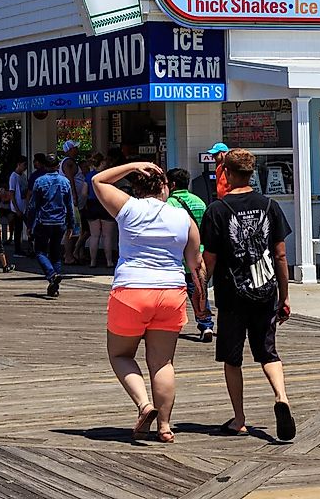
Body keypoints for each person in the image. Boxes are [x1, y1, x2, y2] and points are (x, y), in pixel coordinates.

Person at [92, 160, 203, 444]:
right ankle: (165, 426)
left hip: (131, 291)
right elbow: (196, 264)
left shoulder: (129, 208)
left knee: (120, 355)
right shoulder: (183, 219)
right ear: (166, 187)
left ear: (137, 186)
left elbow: (99, 181)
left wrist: (130, 166)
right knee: (163, 362)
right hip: (171, 292)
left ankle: (144, 405)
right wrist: (201, 300)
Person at [201, 148, 295, 442]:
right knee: (268, 351)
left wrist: (201, 293)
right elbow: (280, 256)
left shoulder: (217, 210)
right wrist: (284, 296)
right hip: (265, 290)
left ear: (226, 173)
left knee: (233, 358)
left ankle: (239, 418)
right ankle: (281, 397)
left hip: (232, 294)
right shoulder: (269, 205)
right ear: (251, 173)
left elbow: (211, 259)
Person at [167, 167, 214, 341]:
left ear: (171, 184)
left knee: (173, 295)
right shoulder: (199, 201)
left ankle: (169, 326)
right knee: (200, 292)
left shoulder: (169, 205)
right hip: (198, 256)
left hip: (177, 258)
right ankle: (206, 325)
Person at [28, 154, 75, 298]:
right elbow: (69, 205)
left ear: (45, 166)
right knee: (56, 253)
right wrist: (71, 224)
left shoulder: (39, 181)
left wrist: (30, 224)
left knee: (40, 251)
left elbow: (33, 206)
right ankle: (55, 284)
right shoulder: (65, 182)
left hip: (44, 221)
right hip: (60, 222)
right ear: (57, 166)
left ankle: (51, 275)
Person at [83, 153, 115, 267]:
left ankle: (93, 261)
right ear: (101, 163)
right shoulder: (107, 175)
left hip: (92, 205)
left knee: (94, 235)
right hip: (105, 204)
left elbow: (84, 193)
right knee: (107, 236)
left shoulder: (88, 176)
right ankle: (109, 261)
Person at [7, 156, 29, 254]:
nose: (25, 167)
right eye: (24, 165)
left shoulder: (23, 176)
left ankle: (27, 247)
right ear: (18, 164)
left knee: (28, 226)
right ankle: (17, 249)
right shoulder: (13, 176)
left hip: (24, 205)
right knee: (18, 228)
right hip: (18, 207)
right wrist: (16, 208)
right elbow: (12, 193)